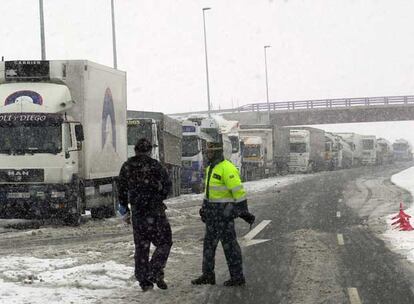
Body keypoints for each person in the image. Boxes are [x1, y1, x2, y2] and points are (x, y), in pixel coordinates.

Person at [192, 141, 255, 287]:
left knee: (230, 247)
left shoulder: (227, 168)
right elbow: (209, 192)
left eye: (210, 152)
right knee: (208, 247)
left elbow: (238, 192)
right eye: (207, 152)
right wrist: (204, 207)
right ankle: (208, 275)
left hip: (224, 216)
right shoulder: (211, 169)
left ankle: (237, 277)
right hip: (212, 215)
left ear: (217, 153)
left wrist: (242, 211)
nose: (207, 154)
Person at [118, 138, 173, 292]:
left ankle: (145, 281)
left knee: (141, 247)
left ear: (135, 150)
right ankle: (155, 271)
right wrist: (159, 197)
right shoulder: (156, 165)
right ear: (149, 151)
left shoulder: (127, 166)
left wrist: (126, 209)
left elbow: (121, 189)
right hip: (155, 211)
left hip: (138, 213)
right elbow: (168, 185)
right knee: (165, 242)